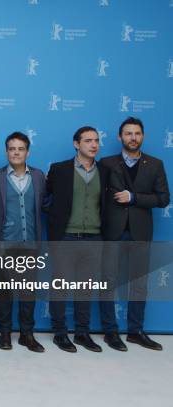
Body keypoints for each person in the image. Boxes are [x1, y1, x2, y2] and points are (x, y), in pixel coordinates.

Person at [99, 117, 170, 351]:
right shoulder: (107, 163)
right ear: (120, 137)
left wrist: (134, 197)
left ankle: (135, 331)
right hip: (112, 232)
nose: (133, 138)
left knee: (139, 284)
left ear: (143, 136)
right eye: (128, 133)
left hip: (140, 233)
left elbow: (163, 198)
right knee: (107, 283)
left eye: (137, 133)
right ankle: (111, 332)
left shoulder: (156, 164)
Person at [46, 126, 108, 353]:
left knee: (85, 288)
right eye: (88, 140)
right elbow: (46, 199)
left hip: (94, 237)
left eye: (96, 140)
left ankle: (82, 333)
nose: (94, 145)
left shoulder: (106, 171)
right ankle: (60, 334)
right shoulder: (59, 169)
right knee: (60, 287)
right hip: (66, 237)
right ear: (76, 144)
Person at [0, 132, 46, 352]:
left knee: (28, 292)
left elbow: (45, 203)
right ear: (6, 152)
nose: (16, 152)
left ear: (27, 152)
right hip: (4, 244)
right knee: (5, 292)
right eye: (12, 149)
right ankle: (4, 333)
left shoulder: (39, 176)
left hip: (30, 244)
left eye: (21, 149)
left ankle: (27, 334)